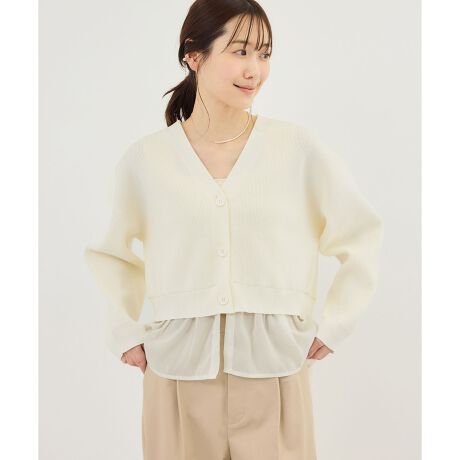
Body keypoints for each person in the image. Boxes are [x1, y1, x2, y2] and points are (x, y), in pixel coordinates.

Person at [84, 1, 384, 459]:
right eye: (240, 51)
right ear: (194, 54)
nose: (254, 70)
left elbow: (360, 234)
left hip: (274, 368)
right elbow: (111, 254)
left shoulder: (297, 149)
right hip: (178, 371)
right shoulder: (147, 160)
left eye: (264, 54)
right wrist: (126, 333)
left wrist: (336, 324)